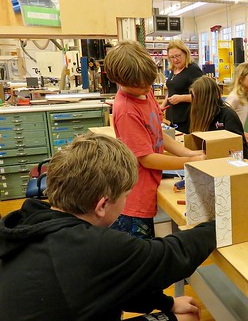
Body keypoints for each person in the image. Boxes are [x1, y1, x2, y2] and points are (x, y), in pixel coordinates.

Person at [0, 133, 216, 321]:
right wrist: (218, 225)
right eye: (126, 196)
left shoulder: (29, 220)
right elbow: (172, 254)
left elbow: (111, 281)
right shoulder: (93, 247)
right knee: (186, 318)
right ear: (102, 205)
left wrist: (166, 303)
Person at [104, 40, 205, 239]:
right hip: (133, 199)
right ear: (121, 81)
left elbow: (157, 132)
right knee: (138, 258)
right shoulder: (125, 110)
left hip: (149, 185)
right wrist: (190, 161)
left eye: (148, 84)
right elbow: (147, 158)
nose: (147, 88)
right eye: (141, 87)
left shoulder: (145, 91)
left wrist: (189, 152)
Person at [190, 75, 248, 159]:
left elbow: (238, 150)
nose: (194, 103)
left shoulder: (228, 116)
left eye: (197, 99)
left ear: (206, 99)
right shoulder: (199, 114)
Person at [162, 39, 204, 134]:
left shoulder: (193, 70)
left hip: (187, 118)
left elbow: (202, 95)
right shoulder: (174, 69)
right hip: (173, 117)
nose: (175, 60)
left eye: (178, 56)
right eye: (172, 57)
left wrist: (181, 98)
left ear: (185, 53)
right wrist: (163, 105)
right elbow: (171, 91)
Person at [225, 62, 248, 149]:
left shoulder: (244, 97)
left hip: (238, 137)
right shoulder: (234, 98)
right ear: (241, 78)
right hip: (233, 140)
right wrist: (242, 133)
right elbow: (225, 123)